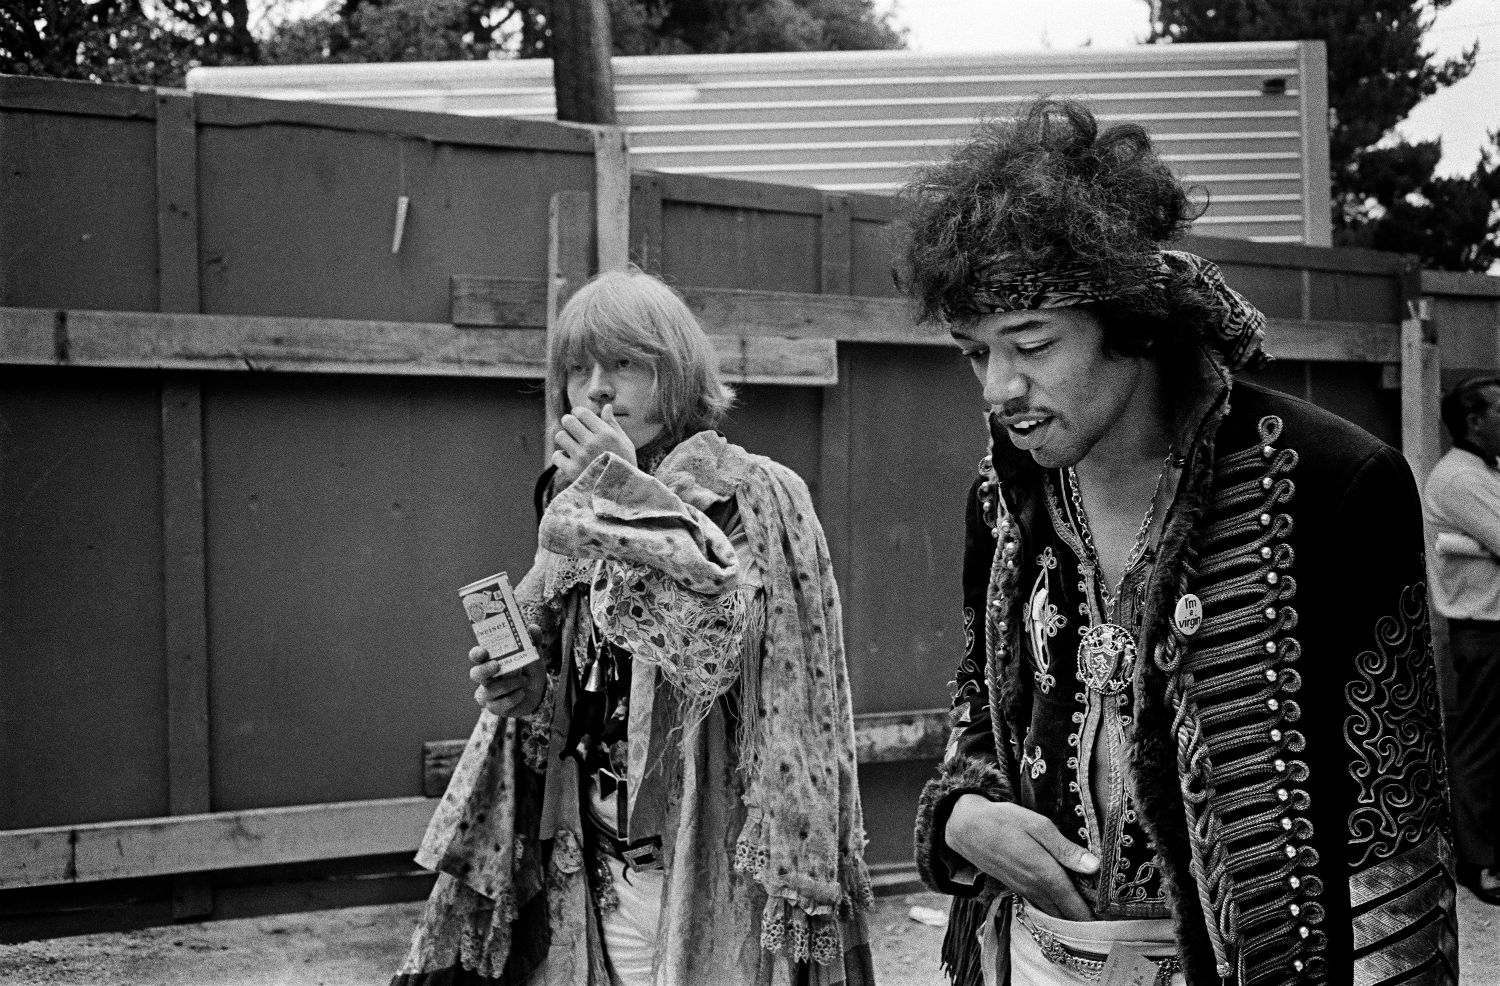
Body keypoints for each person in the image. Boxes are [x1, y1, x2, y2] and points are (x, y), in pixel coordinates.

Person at [899, 100, 1457, 985]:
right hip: (1035, 959)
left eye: (1031, 342)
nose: (1000, 387)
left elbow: (1393, 838)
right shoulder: (1001, 495)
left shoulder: (1335, 486)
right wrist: (964, 810)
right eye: (974, 352)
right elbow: (984, 695)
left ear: (1130, 321)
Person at [392, 269, 873, 986]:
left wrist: (619, 493)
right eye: (577, 369)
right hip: (589, 866)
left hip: (710, 873)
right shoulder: (576, 504)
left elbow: (715, 648)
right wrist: (524, 684)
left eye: (623, 363)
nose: (596, 388)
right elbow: (559, 644)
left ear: (677, 375)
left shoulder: (755, 493)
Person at [1424, 375, 1500, 905]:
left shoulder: (1488, 473)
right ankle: (1480, 862)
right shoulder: (1458, 477)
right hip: (1485, 630)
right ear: (1474, 420)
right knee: (1482, 747)